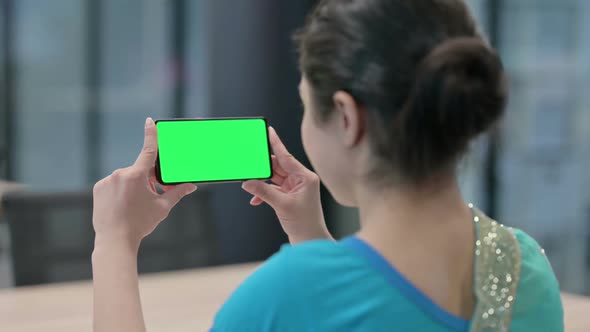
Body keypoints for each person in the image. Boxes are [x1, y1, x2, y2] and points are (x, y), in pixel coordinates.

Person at [91, 0, 564, 331]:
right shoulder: (526, 270)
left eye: (304, 106)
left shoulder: (283, 298)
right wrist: (312, 237)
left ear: (345, 116)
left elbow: (338, 305)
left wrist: (114, 241)